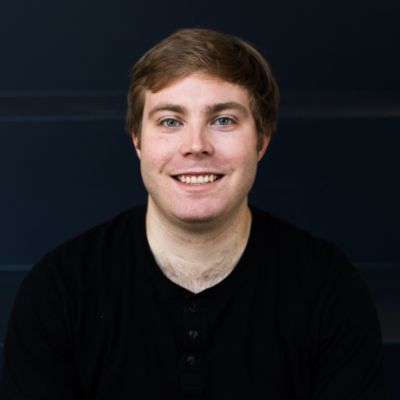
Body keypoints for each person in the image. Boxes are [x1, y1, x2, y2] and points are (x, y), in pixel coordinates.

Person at [0, 28, 384, 399]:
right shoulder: (61, 290)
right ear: (137, 139)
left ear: (262, 140)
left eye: (223, 120)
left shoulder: (327, 288)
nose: (196, 145)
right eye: (171, 121)